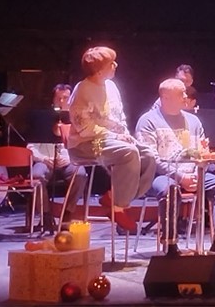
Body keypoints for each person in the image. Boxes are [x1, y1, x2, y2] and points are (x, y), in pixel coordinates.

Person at [135, 78, 215, 258]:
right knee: (170, 190)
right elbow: (151, 160)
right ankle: (170, 244)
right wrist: (181, 177)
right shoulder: (148, 121)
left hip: (193, 172)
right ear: (166, 97)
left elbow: (200, 152)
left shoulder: (193, 121)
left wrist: (198, 171)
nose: (186, 97)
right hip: (159, 175)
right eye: (182, 94)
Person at [67, 46, 158, 232]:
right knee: (129, 153)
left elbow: (119, 117)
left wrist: (125, 135)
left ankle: (115, 198)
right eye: (111, 63)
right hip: (86, 143)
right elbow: (84, 128)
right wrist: (116, 137)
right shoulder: (83, 90)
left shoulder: (111, 86)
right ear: (99, 71)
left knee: (148, 155)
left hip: (113, 139)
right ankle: (118, 208)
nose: (115, 65)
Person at [27, 83, 86, 231]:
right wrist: (42, 158)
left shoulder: (79, 118)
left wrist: (71, 158)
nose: (61, 101)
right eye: (58, 98)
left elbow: (84, 146)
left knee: (80, 174)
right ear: (52, 99)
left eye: (65, 98)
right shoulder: (41, 119)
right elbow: (30, 146)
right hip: (45, 160)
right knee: (36, 176)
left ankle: (67, 213)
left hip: (68, 160)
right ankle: (46, 216)